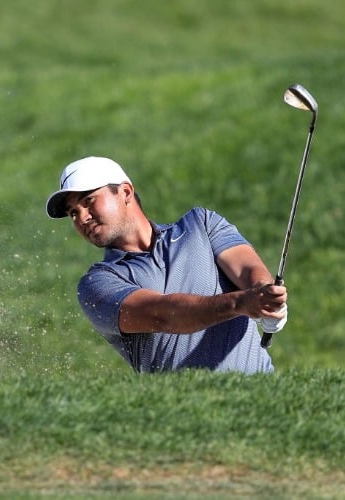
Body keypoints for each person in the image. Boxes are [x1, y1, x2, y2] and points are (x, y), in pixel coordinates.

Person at [45, 156, 288, 374]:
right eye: (73, 213)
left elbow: (247, 269)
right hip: (184, 417)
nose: (82, 218)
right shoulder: (97, 283)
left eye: (89, 201)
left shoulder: (201, 224)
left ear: (126, 192)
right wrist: (242, 303)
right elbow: (163, 315)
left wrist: (266, 296)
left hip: (261, 393)